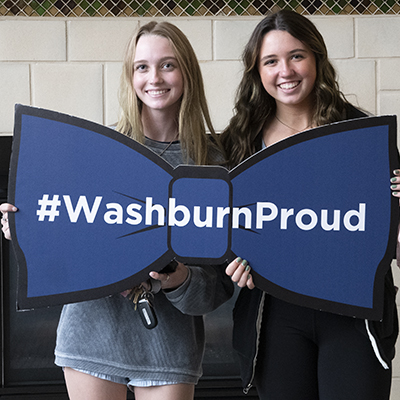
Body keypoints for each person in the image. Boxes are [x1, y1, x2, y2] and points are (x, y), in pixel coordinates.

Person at [0, 21, 233, 400]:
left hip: (169, 347)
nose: (154, 77)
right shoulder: (95, 150)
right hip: (90, 337)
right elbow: (66, 248)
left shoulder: (215, 166)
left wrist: (176, 277)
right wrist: (27, 229)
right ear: (130, 76)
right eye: (142, 67)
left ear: (187, 72)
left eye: (168, 65)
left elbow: (217, 288)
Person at [220, 10, 398, 400]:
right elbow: (217, 229)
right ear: (257, 71)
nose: (285, 70)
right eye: (271, 61)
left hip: (352, 315)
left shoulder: (362, 137)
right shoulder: (238, 143)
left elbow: (393, 243)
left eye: (297, 55)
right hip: (273, 316)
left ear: (317, 58)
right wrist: (229, 259)